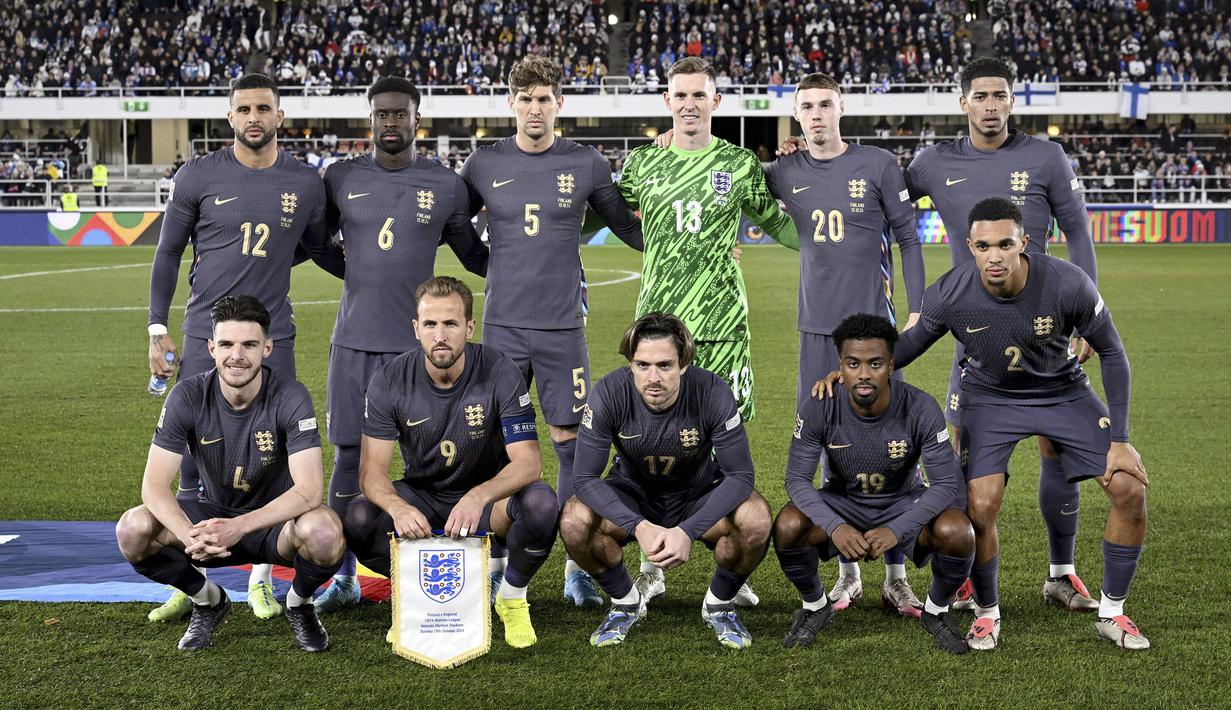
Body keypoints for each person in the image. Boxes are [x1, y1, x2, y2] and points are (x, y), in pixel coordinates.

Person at [889, 197, 1149, 650]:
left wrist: (1121, 440)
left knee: (1129, 488)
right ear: (969, 246)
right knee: (981, 505)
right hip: (988, 400)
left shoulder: (1068, 283)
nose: (995, 256)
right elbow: (903, 351)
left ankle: (1112, 611)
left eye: (1005, 244)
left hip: (1061, 391)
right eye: (984, 246)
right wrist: (856, 367)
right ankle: (988, 612)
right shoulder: (950, 292)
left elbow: (1113, 351)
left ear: (1023, 242)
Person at [146, 73, 345, 623]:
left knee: (275, 455)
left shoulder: (305, 183)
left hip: (272, 334)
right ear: (230, 117)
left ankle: (260, 579)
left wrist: (376, 274)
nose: (253, 116)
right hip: (203, 333)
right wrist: (155, 327)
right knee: (193, 454)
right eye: (243, 109)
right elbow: (167, 253)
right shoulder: (198, 174)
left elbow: (318, 248)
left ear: (280, 116)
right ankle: (196, 580)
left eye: (264, 108)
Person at [904, 57, 1101, 612]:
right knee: (964, 456)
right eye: (981, 95)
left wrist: (1088, 313)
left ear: (1012, 101)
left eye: (1001, 95)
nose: (991, 104)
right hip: (971, 329)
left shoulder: (1045, 156)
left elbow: (1078, 230)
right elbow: (876, 195)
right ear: (961, 101)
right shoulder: (932, 163)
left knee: (1056, 449)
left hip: (1044, 327)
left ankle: (1060, 573)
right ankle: (964, 572)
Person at [459, 55, 643, 609]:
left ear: (559, 104)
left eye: (544, 99)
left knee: (569, 442)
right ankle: (495, 564)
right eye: (525, 99)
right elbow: (454, 223)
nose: (535, 109)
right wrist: (486, 265)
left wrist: (695, 226)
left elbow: (629, 227)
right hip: (503, 329)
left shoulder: (585, 163)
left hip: (564, 328)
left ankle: (575, 563)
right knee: (494, 446)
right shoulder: (483, 164)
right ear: (510, 104)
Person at [617, 56, 798, 604]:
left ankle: (729, 571)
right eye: (681, 95)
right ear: (667, 102)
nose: (690, 104)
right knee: (650, 447)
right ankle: (653, 564)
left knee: (725, 452)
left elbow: (781, 225)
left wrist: (838, 245)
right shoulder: (641, 165)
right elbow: (600, 217)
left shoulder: (740, 164)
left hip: (723, 325)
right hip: (659, 332)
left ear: (716, 102)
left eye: (700, 95)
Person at [311, 76, 489, 615]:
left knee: (436, 457)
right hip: (355, 343)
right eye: (381, 114)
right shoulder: (340, 177)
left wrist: (548, 262)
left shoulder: (444, 184)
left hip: (419, 351)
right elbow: (316, 241)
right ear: (370, 119)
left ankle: (458, 559)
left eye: (400, 114)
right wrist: (357, 276)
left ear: (417, 119)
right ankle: (341, 576)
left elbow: (475, 257)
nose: (390, 122)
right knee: (347, 455)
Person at [764, 72, 928, 617]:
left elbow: (908, 236)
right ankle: (848, 572)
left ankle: (898, 576)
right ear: (795, 113)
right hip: (815, 332)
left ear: (841, 108)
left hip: (873, 334)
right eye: (806, 106)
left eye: (824, 105)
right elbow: (730, 178)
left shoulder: (878, 164)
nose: (815, 115)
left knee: (890, 441)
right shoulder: (784, 169)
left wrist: (917, 308)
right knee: (827, 441)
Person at [115, 296, 344, 652]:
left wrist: (237, 527)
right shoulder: (186, 395)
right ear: (211, 348)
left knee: (325, 533)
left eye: (249, 344)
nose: (237, 355)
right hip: (210, 518)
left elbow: (310, 491)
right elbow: (154, 486)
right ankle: (209, 601)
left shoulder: (290, 395)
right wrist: (189, 535)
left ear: (267, 348)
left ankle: (300, 604)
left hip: (274, 526)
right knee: (132, 530)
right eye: (226, 344)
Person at [343, 277, 559, 649]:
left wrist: (478, 496)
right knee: (360, 517)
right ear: (416, 329)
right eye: (430, 324)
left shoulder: (500, 369)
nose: (440, 335)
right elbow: (371, 472)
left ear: (469, 327)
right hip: (423, 495)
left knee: (541, 504)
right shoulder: (389, 380)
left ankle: (511, 596)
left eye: (451, 323)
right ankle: (415, 594)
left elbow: (528, 463)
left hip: (488, 504)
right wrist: (397, 507)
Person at [560, 313, 771, 649]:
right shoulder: (609, 394)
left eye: (664, 365)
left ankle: (719, 605)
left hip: (697, 494)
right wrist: (639, 526)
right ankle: (626, 602)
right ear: (631, 363)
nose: (652, 377)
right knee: (574, 518)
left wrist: (687, 530)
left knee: (756, 518)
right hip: (633, 494)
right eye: (642, 365)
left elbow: (741, 476)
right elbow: (584, 478)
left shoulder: (713, 392)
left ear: (684, 363)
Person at [773, 314, 973, 655]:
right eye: (853, 363)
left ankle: (937, 612)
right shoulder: (820, 405)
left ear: (891, 365)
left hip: (902, 503)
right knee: (789, 524)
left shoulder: (920, 406)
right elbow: (796, 479)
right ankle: (815, 605)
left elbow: (945, 486)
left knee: (958, 531)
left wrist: (896, 529)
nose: (863, 374)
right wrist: (835, 526)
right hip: (844, 503)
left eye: (875, 363)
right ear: (840, 365)